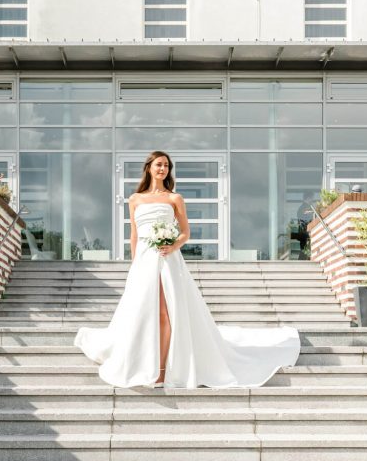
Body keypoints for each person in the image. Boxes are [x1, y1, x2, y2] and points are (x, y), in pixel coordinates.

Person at [75, 150, 300, 388]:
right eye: (158, 164)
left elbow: (185, 233)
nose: (162, 169)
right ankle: (139, 362)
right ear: (149, 168)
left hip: (167, 260)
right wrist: (134, 265)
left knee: (165, 313)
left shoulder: (175, 199)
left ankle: (162, 370)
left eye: (166, 166)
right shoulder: (135, 199)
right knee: (141, 313)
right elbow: (133, 235)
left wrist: (172, 245)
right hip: (143, 263)